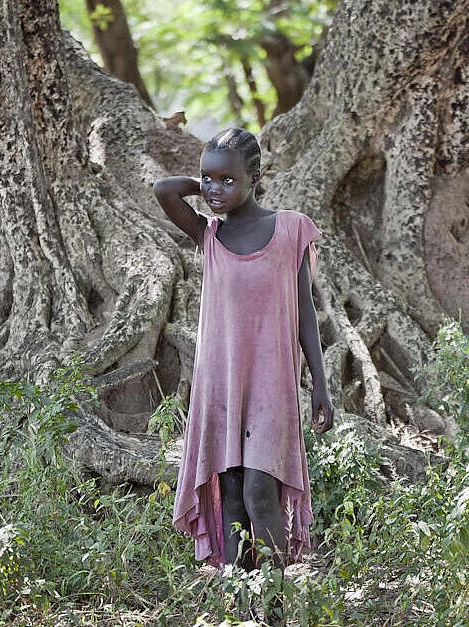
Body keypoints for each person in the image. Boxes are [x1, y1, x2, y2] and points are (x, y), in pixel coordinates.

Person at [152, 127, 334, 579]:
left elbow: (305, 313)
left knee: (258, 492)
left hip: (272, 385)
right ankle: (241, 601)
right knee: (231, 494)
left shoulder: (290, 229)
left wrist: (321, 385)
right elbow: (163, 190)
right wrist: (210, 182)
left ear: (255, 177)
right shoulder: (207, 233)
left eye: (229, 180)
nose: (215, 189)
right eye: (207, 179)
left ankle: (272, 606)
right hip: (221, 385)